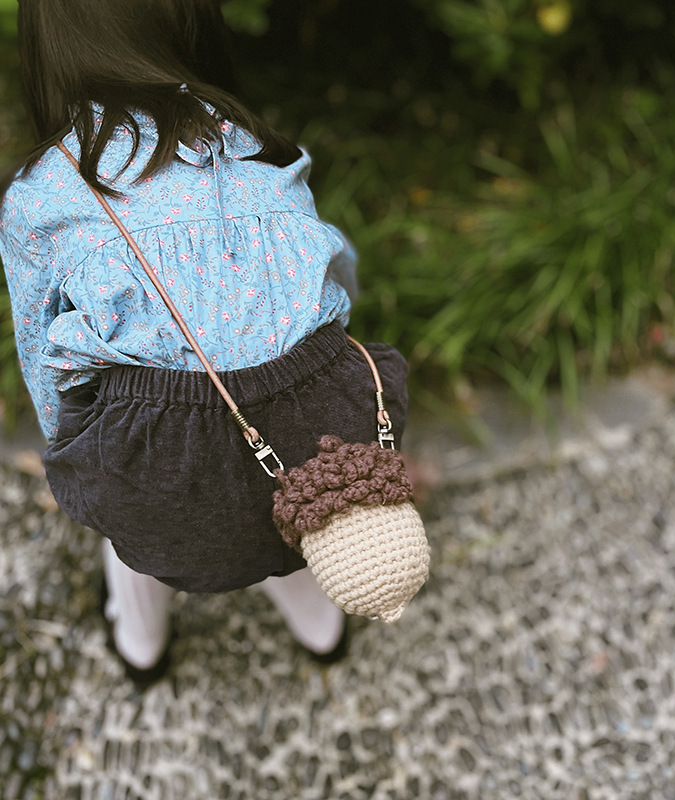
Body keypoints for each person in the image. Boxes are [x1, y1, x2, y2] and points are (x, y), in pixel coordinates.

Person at [0, 0, 408, 686]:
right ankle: (323, 629)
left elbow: (45, 351)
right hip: (312, 425)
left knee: (136, 519)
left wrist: (72, 451)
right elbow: (331, 279)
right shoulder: (253, 144)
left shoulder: (44, 193)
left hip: (156, 457)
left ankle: (141, 647)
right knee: (303, 510)